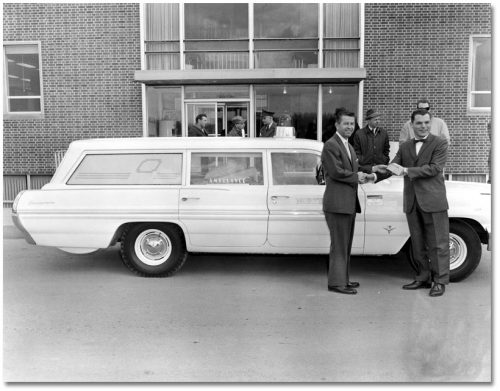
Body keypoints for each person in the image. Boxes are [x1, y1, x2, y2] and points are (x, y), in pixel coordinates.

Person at [383, 108, 450, 297]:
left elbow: (434, 168)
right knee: (418, 243)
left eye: (427, 122)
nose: (423, 126)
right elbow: (393, 166)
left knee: (438, 243)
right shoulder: (404, 147)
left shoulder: (440, 143)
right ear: (411, 125)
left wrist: (406, 171)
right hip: (412, 201)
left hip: (433, 200)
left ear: (431, 123)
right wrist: (372, 174)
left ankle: (439, 281)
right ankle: (422, 277)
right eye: (419, 123)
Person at [321, 109, 376, 295]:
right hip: (337, 204)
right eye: (346, 123)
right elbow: (336, 172)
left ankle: (343, 279)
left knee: (345, 244)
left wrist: (372, 170)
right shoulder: (331, 145)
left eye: (352, 124)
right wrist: (357, 176)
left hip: (347, 203)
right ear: (337, 125)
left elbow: (355, 167)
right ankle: (337, 283)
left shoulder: (347, 145)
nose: (349, 127)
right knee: (339, 244)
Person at [352, 109, 390, 174]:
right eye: (375, 119)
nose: (378, 121)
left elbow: (386, 150)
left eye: (379, 119)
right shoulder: (359, 134)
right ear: (368, 120)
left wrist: (384, 160)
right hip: (365, 170)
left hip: (380, 169)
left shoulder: (384, 133)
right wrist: (362, 161)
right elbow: (356, 152)